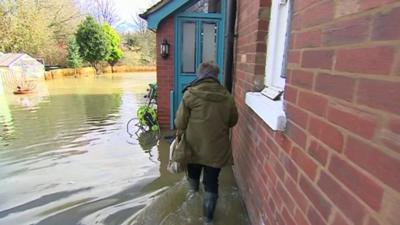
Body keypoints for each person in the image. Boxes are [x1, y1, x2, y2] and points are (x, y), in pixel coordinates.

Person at [175, 62, 238, 224]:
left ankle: (193, 195)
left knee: (193, 178)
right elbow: (232, 121)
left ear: (200, 75)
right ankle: (208, 220)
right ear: (216, 76)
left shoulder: (190, 94)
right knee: (211, 183)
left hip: (193, 148)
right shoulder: (227, 96)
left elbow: (180, 123)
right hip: (216, 150)